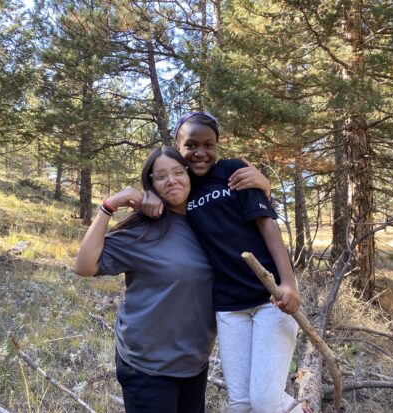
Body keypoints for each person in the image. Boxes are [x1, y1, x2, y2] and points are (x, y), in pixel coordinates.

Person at [143, 112, 303, 413]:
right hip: (228, 307)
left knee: (266, 402)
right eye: (191, 145)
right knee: (240, 403)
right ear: (178, 145)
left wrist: (289, 283)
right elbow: (158, 186)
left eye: (209, 144)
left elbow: (267, 225)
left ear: (218, 146)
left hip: (270, 298)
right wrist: (149, 193)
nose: (200, 152)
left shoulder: (234, 172)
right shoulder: (181, 188)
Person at [75, 147, 216, 413]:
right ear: (150, 183)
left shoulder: (208, 221)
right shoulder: (143, 231)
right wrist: (108, 206)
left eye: (177, 172)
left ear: (189, 174)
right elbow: (84, 266)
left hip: (194, 362)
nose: (171, 180)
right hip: (147, 366)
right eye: (161, 176)